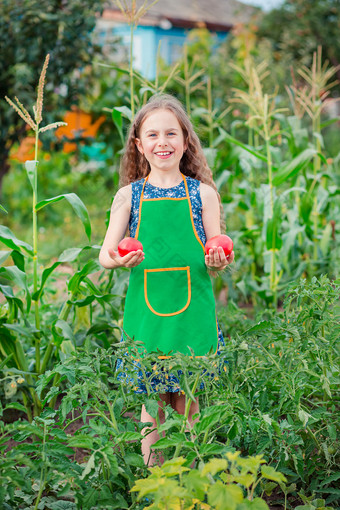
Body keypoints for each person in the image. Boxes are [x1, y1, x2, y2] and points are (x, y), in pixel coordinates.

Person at [99, 94, 235, 466]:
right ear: (139, 146)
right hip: (148, 314)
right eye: (153, 135)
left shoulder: (203, 194)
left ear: (186, 140)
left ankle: (185, 479)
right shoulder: (129, 196)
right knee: (153, 405)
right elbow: (105, 254)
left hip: (193, 314)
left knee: (188, 401)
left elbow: (214, 254)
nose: (164, 142)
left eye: (172, 133)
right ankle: (154, 480)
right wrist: (121, 258)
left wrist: (218, 258)